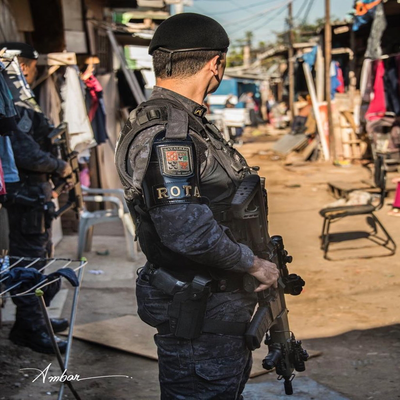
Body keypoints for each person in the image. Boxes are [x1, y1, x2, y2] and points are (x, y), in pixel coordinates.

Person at [115, 13, 279, 399]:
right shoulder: (171, 134)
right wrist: (253, 264)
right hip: (200, 305)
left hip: (214, 304)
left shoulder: (187, 124)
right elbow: (186, 230)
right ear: (215, 64)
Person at [0, 42, 71, 354]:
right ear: (23, 65)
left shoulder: (20, 98)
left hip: (35, 194)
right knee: (28, 264)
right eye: (30, 65)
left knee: (37, 261)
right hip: (25, 196)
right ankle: (29, 327)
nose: (31, 71)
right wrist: (58, 165)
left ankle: (34, 320)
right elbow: (22, 149)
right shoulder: (14, 98)